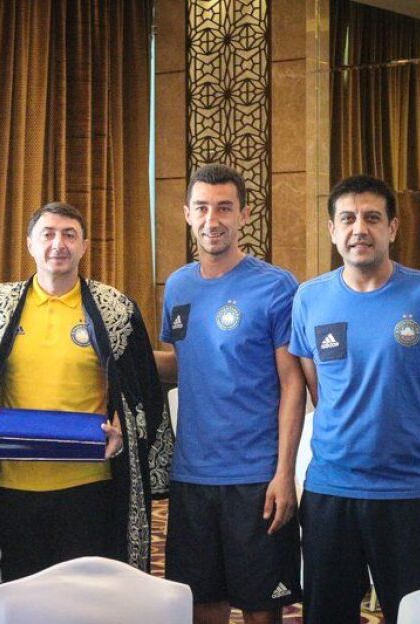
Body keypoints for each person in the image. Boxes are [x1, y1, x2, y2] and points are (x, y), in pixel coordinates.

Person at [0, 202, 172, 623]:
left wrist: (122, 429)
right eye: (48, 234)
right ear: (29, 244)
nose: (59, 244)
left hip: (87, 491)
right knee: (16, 605)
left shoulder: (116, 310)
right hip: (9, 489)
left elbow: (143, 394)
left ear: (85, 245)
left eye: (70, 235)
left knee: (83, 608)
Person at [288, 175, 420, 624]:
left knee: (418, 615)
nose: (360, 229)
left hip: (409, 493)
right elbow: (319, 391)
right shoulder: (309, 299)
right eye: (347, 219)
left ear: (392, 228)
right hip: (330, 492)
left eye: (372, 218)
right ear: (332, 230)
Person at [154, 164, 305, 624]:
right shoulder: (178, 286)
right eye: (202, 208)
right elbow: (183, 364)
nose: (212, 219)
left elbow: (292, 383)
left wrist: (285, 472)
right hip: (192, 476)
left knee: (261, 611)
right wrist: (113, 358)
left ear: (244, 214)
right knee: (202, 605)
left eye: (224, 208)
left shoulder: (276, 285)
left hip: (255, 477)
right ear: (187, 213)